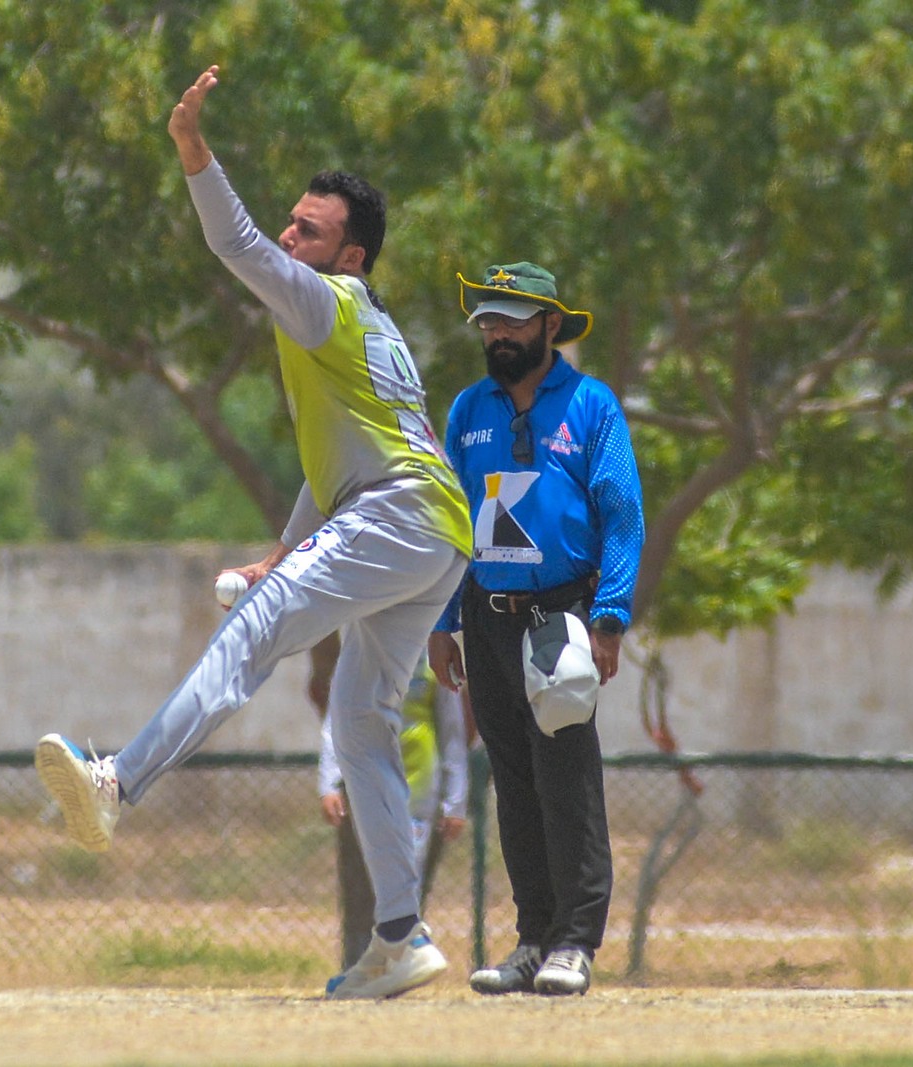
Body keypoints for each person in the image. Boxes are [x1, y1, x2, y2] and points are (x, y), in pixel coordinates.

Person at [34, 66, 472, 1001]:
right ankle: (401, 935)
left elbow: (232, 241)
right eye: (290, 222)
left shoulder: (324, 301)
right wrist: (283, 552)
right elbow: (341, 466)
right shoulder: (374, 325)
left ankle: (116, 783)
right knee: (361, 722)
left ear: (351, 255)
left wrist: (192, 148)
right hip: (436, 531)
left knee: (255, 634)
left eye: (308, 231)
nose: (286, 238)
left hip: (397, 511)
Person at [426, 262, 644, 997]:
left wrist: (609, 617)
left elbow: (622, 514)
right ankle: (532, 940)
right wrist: (442, 621)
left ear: (550, 324)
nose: (497, 333)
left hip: (561, 616)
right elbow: (451, 521)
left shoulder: (591, 404)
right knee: (513, 783)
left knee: (565, 778)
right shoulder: (468, 409)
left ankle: (575, 942)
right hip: (485, 618)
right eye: (488, 321)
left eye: (512, 321)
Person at [317, 654, 469, 970]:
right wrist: (329, 783)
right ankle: (359, 964)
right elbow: (336, 720)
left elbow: (453, 732)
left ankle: (400, 960)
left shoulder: (434, 664)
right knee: (363, 884)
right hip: (366, 786)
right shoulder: (362, 653)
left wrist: (455, 800)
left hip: (419, 791)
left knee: (408, 880)